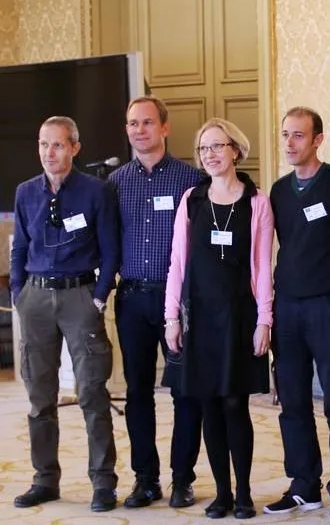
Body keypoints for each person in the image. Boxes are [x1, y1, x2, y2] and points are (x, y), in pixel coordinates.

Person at [164, 118, 273, 520]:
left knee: (234, 404)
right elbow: (178, 262)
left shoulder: (256, 201)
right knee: (209, 405)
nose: (210, 154)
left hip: (238, 315)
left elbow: (262, 266)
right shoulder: (192, 199)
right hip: (198, 316)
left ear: (235, 150)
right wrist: (170, 317)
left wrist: (265, 320)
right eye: (203, 148)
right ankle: (222, 493)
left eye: (217, 146)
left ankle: (243, 492)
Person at [10, 116, 120, 512]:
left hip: (80, 298)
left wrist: (98, 297)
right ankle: (45, 479)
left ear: (74, 147)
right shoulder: (25, 192)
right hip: (35, 299)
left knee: (92, 392)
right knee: (40, 397)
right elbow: (19, 248)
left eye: (57, 145)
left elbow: (111, 250)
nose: (48, 153)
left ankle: (103, 482)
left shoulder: (97, 191)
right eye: (43, 144)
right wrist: (19, 295)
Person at [107, 96, 205, 509]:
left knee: (185, 391)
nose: (139, 130)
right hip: (132, 299)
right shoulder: (114, 184)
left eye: (147, 123)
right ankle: (145, 480)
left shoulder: (192, 179)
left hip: (179, 302)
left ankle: (183, 479)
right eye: (132, 123)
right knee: (137, 393)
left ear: (164, 128)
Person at [265, 107, 330, 520]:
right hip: (288, 307)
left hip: (328, 305)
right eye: (286, 135)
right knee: (293, 402)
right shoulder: (279, 191)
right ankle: (304, 485)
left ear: (318, 139)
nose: (289, 143)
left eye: (298, 136)